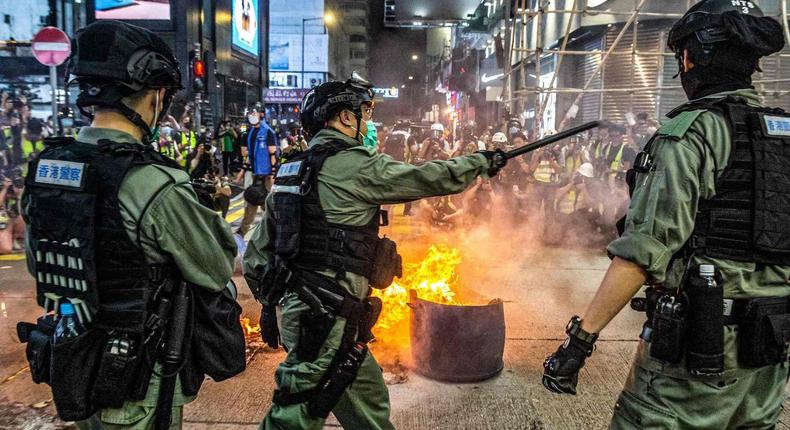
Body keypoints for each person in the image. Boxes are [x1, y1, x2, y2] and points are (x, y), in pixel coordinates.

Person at [542, 2, 790, 428]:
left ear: (691, 58)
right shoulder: (783, 134)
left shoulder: (689, 135)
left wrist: (578, 344)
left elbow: (642, 253)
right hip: (769, 357)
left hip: (696, 359)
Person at [243, 74, 506, 430]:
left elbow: (257, 256)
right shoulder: (355, 164)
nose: (366, 122)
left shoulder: (290, 172)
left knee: (368, 399)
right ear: (345, 118)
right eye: (363, 113)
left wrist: (272, 307)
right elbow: (426, 178)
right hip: (327, 319)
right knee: (293, 415)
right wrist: (480, 163)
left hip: (313, 316)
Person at [20, 20, 242, 429]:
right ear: (156, 98)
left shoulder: (47, 167)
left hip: (73, 356)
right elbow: (216, 266)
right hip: (135, 376)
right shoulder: (153, 182)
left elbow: (40, 264)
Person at [238, 103, 278, 236]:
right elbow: (250, 155)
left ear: (261, 115)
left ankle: (273, 233)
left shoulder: (267, 131)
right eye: (250, 114)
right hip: (256, 173)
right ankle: (241, 234)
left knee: (267, 205)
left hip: (267, 176)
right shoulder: (249, 133)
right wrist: (241, 173)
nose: (252, 116)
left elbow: (272, 153)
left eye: (254, 113)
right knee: (254, 201)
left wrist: (272, 174)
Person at [0, 170, 24, 254]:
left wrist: (19, 194)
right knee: (5, 249)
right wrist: (5, 188)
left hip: (8, 219)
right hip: (2, 220)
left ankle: (15, 239)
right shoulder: (3, 187)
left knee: (23, 218)